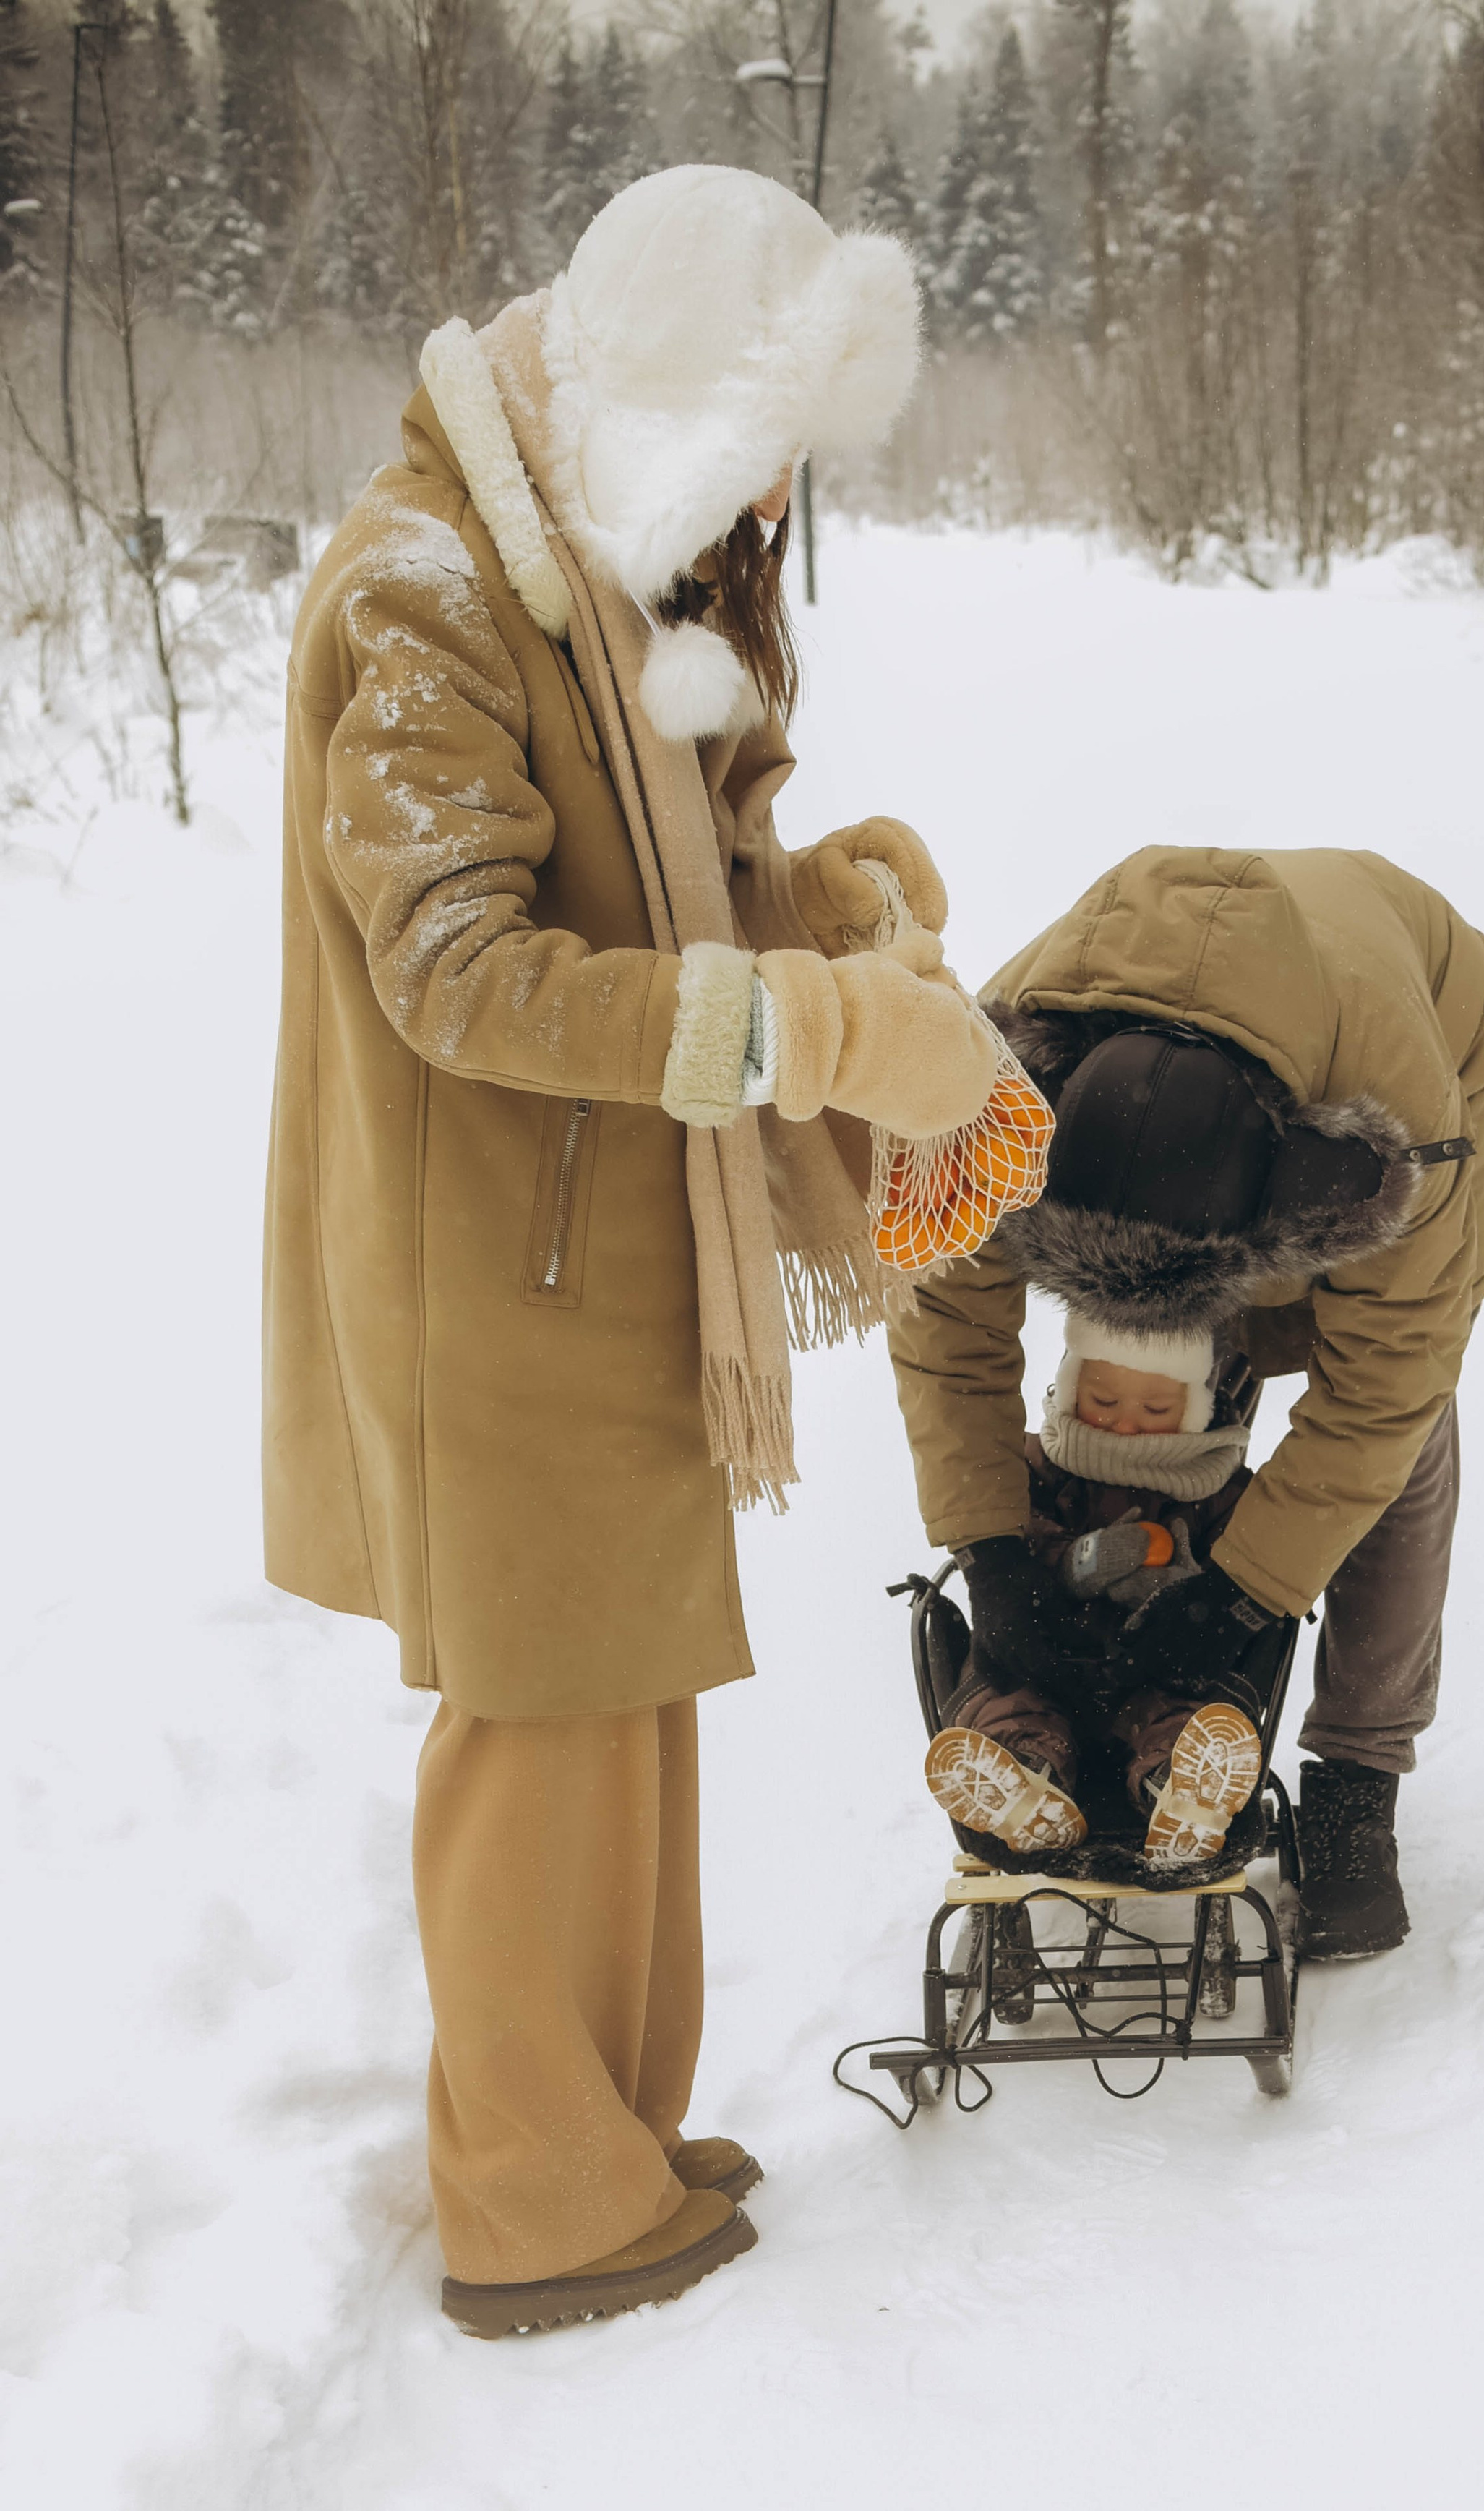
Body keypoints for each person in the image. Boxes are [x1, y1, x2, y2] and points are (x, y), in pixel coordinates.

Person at [264, 167, 1000, 2339]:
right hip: (487, 1253)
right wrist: (802, 1028)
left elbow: (694, 850)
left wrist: (831, 904)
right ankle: (529, 2198)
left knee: (626, 1696)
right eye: (759, 438)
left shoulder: (630, 558)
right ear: (672, 391)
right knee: (534, 1715)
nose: (775, 493)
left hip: (608, 1232)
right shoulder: (425, 586)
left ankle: (611, 2130)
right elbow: (455, 970)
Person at [888, 845, 1484, 1962]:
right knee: (1141, 1403)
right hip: (1170, 1083)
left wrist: (1241, 1591)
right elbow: (945, 1328)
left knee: (1412, 1428)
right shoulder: (991, 1080)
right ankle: (1071, 1741)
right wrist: (993, 1549)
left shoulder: (1397, 1132)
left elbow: (1388, 1387)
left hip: (1404, 1026)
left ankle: (1356, 1784)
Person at [924, 1313, 1269, 1878]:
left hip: (1161, 1673)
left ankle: (1181, 1792)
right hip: (1043, 1659)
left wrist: (1189, 1587)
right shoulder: (1035, 1465)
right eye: (1104, 1400)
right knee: (1008, 1702)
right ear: (1072, 1384)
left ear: (1193, 1413)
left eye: (1155, 1410)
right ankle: (1026, 1780)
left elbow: (1246, 1570)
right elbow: (1008, 1537)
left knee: (1185, 1719)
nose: (1125, 1425)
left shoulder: (1217, 1493)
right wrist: (1077, 1560)